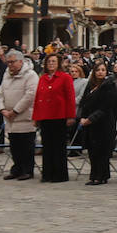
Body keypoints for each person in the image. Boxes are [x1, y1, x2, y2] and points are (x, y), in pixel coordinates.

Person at [32, 53, 76, 183]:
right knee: (47, 146)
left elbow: (70, 98)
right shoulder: (43, 78)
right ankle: (47, 173)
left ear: (58, 64)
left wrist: (70, 116)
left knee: (58, 146)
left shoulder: (65, 77)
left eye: (53, 61)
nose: (51, 64)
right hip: (45, 116)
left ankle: (59, 174)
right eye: (49, 61)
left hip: (59, 115)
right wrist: (36, 117)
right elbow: (38, 98)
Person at [0, 51, 39, 181]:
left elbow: (30, 95)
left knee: (26, 146)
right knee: (14, 146)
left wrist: (15, 111)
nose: (10, 65)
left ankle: (27, 170)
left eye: (13, 62)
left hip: (24, 116)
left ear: (21, 61)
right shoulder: (6, 75)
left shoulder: (31, 75)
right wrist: (2, 109)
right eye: (8, 62)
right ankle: (17, 169)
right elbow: (0, 93)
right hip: (9, 118)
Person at [77, 62, 117, 185]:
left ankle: (101, 176)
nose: (100, 72)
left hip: (104, 123)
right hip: (89, 124)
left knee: (102, 151)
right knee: (92, 150)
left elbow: (106, 107)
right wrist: (82, 117)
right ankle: (93, 174)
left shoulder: (109, 86)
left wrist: (90, 119)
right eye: (98, 70)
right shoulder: (90, 85)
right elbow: (83, 103)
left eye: (103, 70)